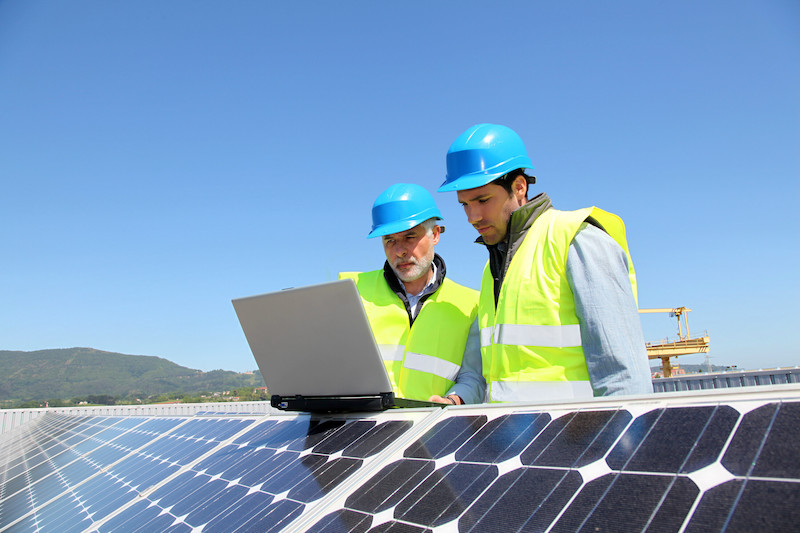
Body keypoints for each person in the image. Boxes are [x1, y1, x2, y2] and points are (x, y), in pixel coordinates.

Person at [438, 123, 653, 402]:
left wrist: (619, 442)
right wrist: (458, 399)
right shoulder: (493, 269)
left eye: (482, 199)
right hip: (511, 441)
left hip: (579, 440)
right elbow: (481, 371)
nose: (472, 216)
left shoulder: (577, 240)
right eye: (464, 204)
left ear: (518, 187)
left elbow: (624, 377)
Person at [340, 183, 485, 404]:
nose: (400, 250)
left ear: (435, 234)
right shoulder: (352, 290)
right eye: (390, 240)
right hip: (361, 427)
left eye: (410, 237)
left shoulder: (470, 304)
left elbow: (473, 377)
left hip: (431, 431)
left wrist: (454, 400)